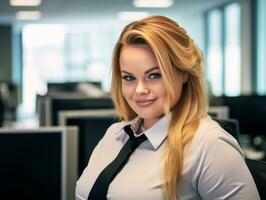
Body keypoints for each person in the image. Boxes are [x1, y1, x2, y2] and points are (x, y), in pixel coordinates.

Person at [75, 15, 260, 200]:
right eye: (129, 78)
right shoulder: (115, 134)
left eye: (154, 75)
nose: (139, 90)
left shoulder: (208, 145)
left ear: (184, 74)